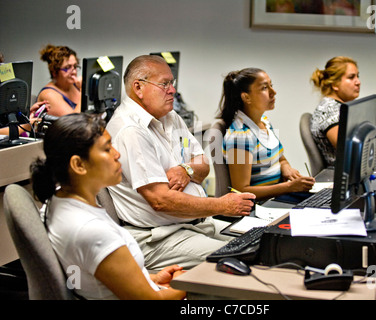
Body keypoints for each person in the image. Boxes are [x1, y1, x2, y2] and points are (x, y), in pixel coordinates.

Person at [106, 55, 255, 271]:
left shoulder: (170, 117)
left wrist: (186, 169)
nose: (172, 90)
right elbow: (161, 201)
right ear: (138, 88)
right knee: (244, 259)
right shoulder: (131, 131)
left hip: (192, 224)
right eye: (164, 84)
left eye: (172, 83)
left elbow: (203, 165)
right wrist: (223, 205)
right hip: (158, 238)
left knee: (260, 244)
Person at [30, 113, 186, 300]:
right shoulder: (91, 230)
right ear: (78, 164)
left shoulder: (55, 203)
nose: (117, 153)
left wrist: (150, 279)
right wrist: (184, 283)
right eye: (107, 149)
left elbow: (84, 276)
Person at [218, 68, 315, 202]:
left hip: (279, 194)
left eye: (271, 85)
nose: (273, 92)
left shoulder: (264, 122)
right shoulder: (240, 136)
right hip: (263, 205)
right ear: (246, 97)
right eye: (264, 88)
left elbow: (280, 158)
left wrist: (286, 168)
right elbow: (241, 190)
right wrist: (289, 187)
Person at [310, 56, 376, 167]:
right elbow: (348, 150)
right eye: (351, 77)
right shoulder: (329, 110)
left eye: (358, 76)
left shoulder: (346, 107)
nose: (358, 82)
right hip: (346, 175)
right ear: (335, 84)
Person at [37, 44, 81, 116]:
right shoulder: (48, 94)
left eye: (75, 66)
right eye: (67, 67)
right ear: (54, 71)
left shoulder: (75, 85)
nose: (74, 72)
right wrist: (83, 92)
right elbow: (74, 123)